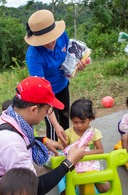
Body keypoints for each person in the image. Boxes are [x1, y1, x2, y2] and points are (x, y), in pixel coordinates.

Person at [0, 76, 85, 195]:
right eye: (47, 110)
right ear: (34, 109)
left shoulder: (9, 115)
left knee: (51, 165)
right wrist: (69, 162)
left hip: (9, 182)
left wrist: (43, 140)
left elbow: (22, 137)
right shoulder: (12, 145)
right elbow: (35, 188)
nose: (46, 114)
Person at [25, 9, 86, 144]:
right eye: (46, 40)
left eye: (53, 37)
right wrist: (55, 124)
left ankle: (65, 146)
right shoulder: (34, 57)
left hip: (62, 85)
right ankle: (54, 153)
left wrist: (77, 64)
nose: (52, 42)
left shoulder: (62, 35)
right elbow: (42, 94)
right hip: (46, 94)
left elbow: (69, 56)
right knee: (54, 126)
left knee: (64, 117)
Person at [56, 98, 110, 195]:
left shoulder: (93, 133)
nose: (79, 126)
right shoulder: (69, 133)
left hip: (91, 166)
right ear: (71, 120)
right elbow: (63, 149)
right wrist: (63, 144)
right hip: (74, 167)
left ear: (90, 119)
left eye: (82, 122)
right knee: (69, 190)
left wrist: (84, 154)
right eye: (75, 122)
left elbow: (100, 150)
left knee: (104, 188)